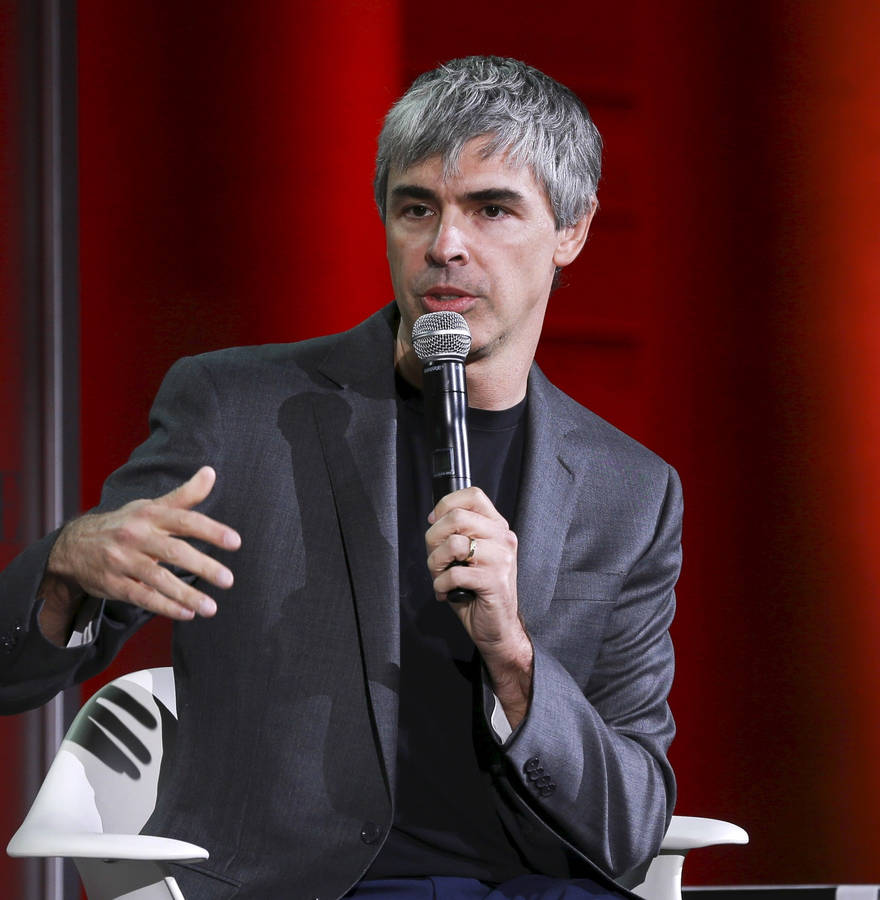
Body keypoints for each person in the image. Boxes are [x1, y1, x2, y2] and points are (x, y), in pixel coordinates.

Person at [0, 56, 681, 900]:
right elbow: (12, 676)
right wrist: (67, 565)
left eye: (492, 209)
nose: (445, 245)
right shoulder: (241, 410)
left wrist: (515, 655)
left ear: (571, 231)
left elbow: (633, 822)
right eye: (416, 207)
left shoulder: (630, 492)